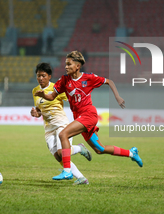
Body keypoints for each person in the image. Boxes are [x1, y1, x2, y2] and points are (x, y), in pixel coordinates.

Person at [34, 51, 143, 181]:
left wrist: (117, 97)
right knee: (100, 149)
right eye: (65, 64)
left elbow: (109, 81)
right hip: (79, 118)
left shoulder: (88, 78)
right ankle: (131, 153)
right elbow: (52, 96)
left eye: (69, 64)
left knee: (63, 134)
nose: (66, 67)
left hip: (88, 115)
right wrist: (43, 96)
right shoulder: (64, 80)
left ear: (78, 66)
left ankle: (67, 171)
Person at [31, 63, 91, 185]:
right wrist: (35, 113)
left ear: (49, 76)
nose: (40, 78)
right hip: (48, 128)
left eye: (43, 76)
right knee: (59, 157)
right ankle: (82, 178)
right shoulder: (35, 91)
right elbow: (39, 109)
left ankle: (79, 148)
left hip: (61, 124)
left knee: (61, 152)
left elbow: (72, 98)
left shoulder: (56, 88)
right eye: (38, 76)